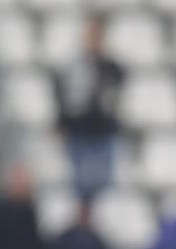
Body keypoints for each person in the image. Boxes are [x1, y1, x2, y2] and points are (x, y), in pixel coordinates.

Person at [54, 16, 126, 204]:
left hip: (103, 133)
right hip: (78, 132)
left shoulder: (111, 67)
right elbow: (62, 95)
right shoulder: (72, 67)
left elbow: (115, 95)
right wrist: (61, 123)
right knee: (76, 187)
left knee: (104, 188)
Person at [45, 201, 117, 249]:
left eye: (86, 214)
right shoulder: (67, 236)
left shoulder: (94, 238)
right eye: (82, 214)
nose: (84, 217)